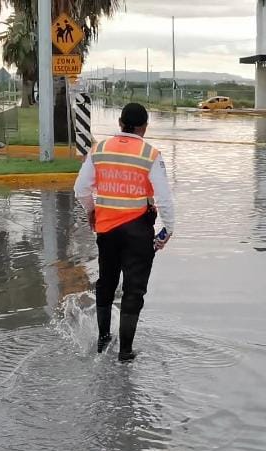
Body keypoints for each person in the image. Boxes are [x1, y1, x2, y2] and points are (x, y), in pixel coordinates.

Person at [75, 103, 175, 362]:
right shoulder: (150, 154)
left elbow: (81, 189)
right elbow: (163, 198)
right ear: (144, 127)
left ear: (120, 123)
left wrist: (91, 212)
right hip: (138, 231)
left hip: (106, 230)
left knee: (106, 283)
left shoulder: (99, 150)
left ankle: (103, 340)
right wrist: (168, 229)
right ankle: (125, 351)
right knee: (134, 289)